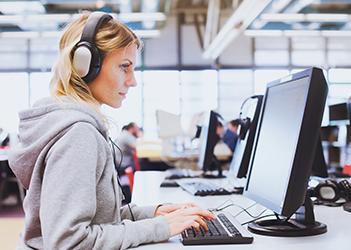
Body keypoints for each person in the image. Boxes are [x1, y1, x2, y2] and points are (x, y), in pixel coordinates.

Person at [8, 11, 214, 250]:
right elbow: (69, 241)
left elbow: (101, 218)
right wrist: (162, 227)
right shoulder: (78, 134)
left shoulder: (71, 125)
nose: (133, 80)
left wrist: (157, 213)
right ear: (85, 66)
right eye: (124, 67)